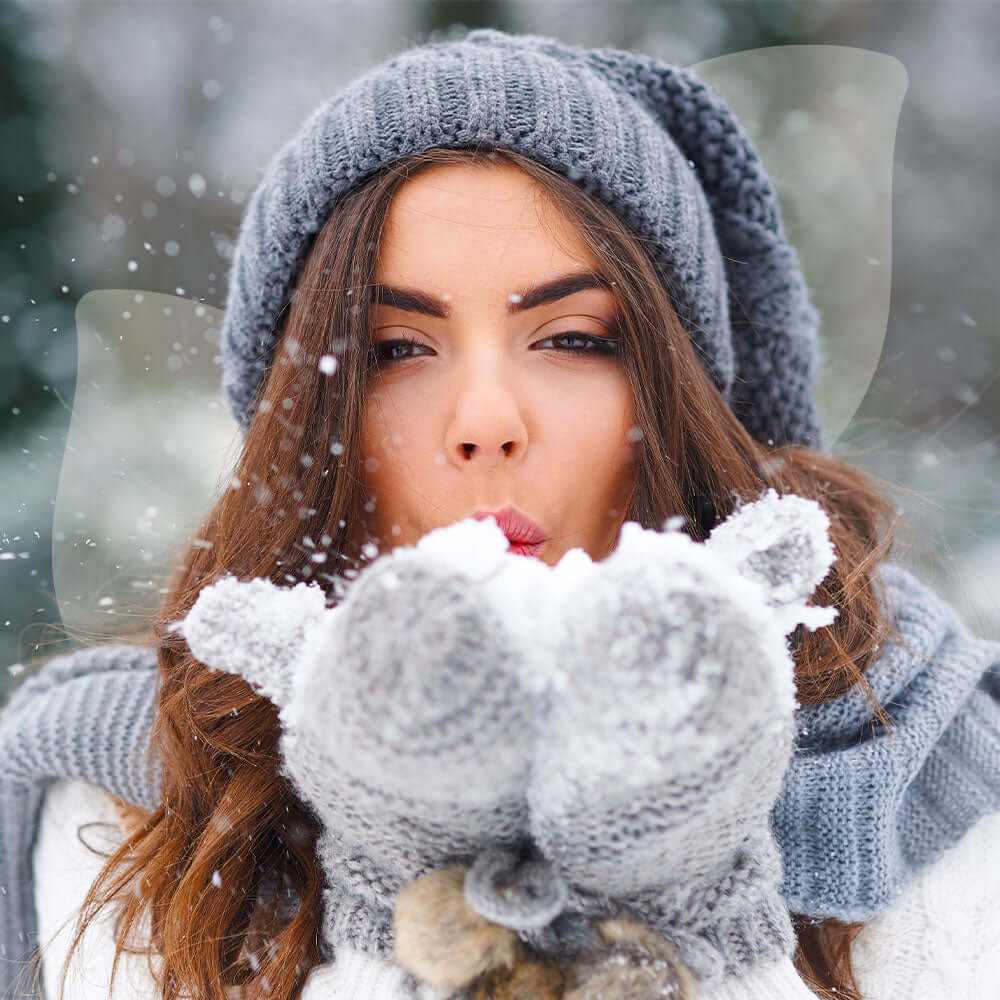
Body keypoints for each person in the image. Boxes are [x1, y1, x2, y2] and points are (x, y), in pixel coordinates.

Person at [2, 26, 998, 1000]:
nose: (485, 421)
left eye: (568, 338)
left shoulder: (926, 779)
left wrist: (669, 883)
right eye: (396, 348)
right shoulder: (128, 809)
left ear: (673, 393)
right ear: (307, 423)